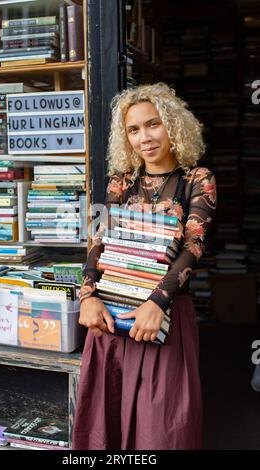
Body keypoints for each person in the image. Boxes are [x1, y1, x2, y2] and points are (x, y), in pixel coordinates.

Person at [72, 82, 217, 450]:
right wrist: (87, 295)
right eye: (133, 130)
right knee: (105, 426)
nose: (144, 137)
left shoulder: (197, 179)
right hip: (110, 315)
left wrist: (156, 303)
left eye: (153, 124)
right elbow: (99, 241)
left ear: (172, 125)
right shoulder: (121, 181)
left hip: (162, 318)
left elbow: (193, 245)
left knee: (164, 430)